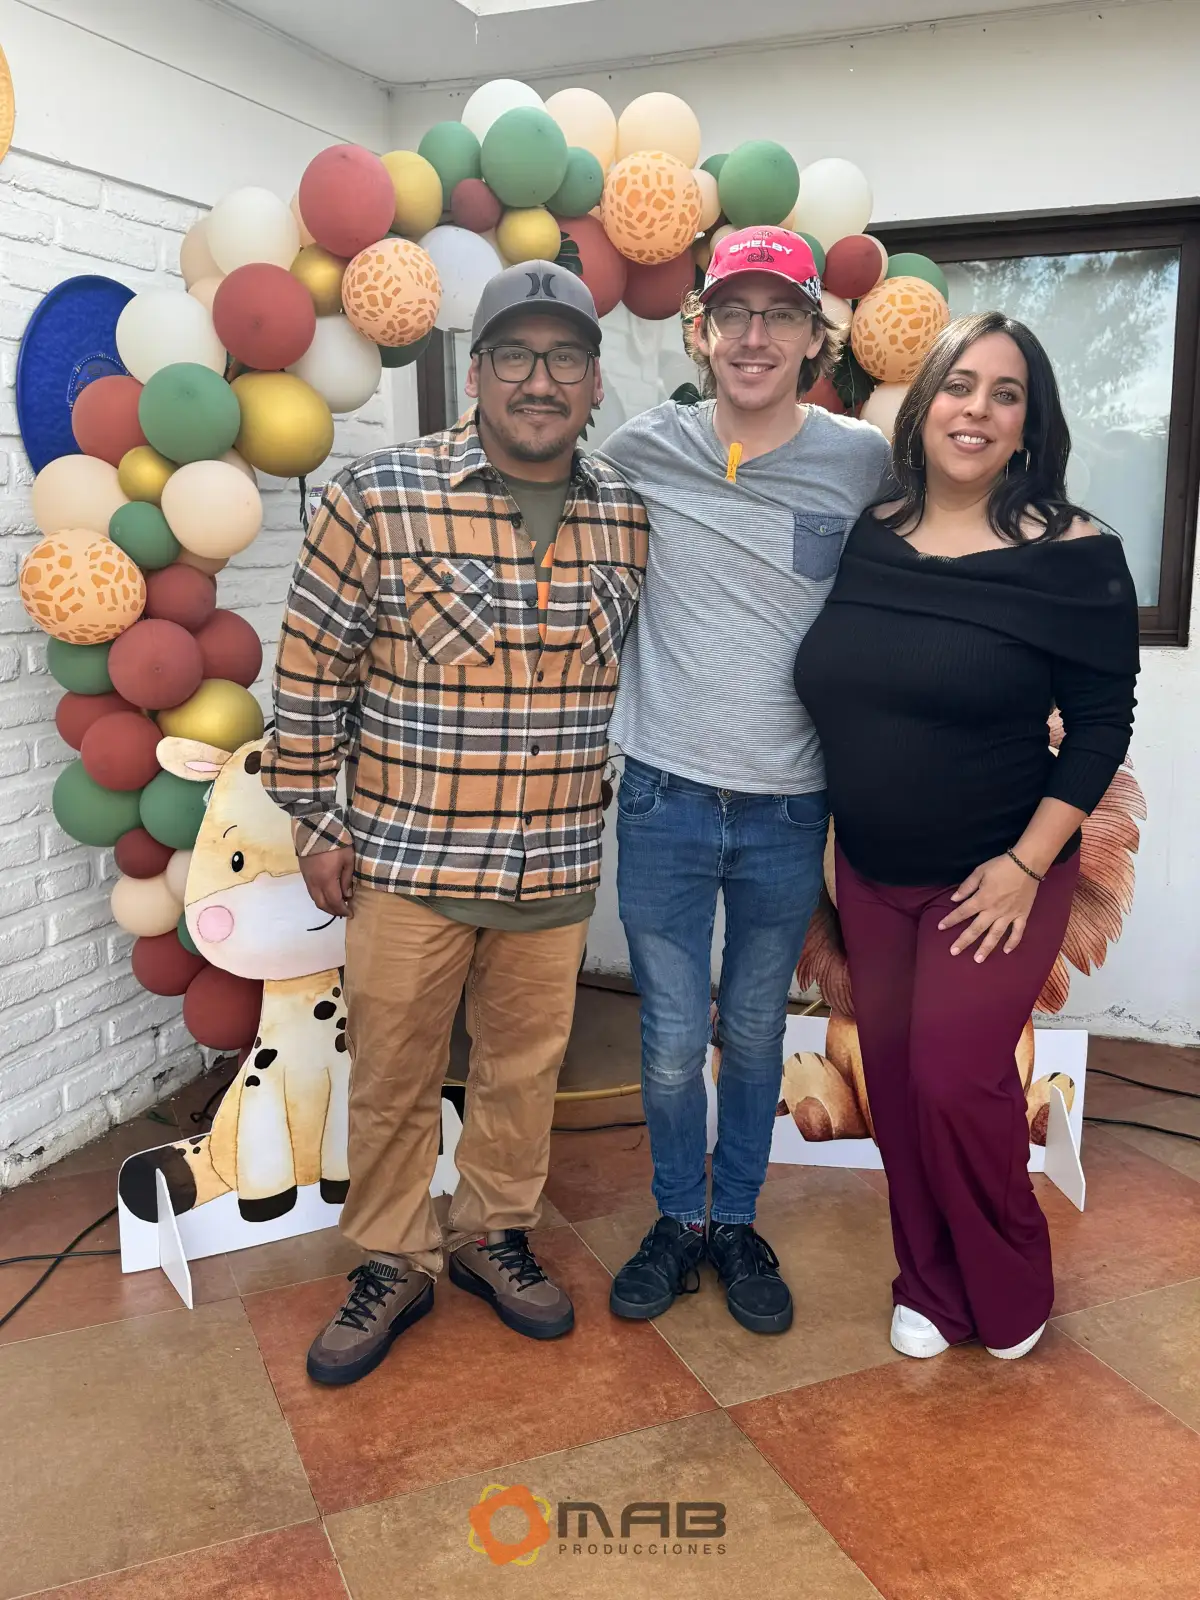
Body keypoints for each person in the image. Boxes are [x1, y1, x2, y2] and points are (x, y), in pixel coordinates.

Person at [261, 261, 648, 1385]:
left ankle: (492, 1232)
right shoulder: (378, 497)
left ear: (594, 381)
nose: (541, 380)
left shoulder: (626, 517)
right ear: (475, 374)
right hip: (408, 858)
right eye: (516, 355)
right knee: (393, 1073)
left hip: (554, 859)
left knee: (525, 1070)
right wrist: (316, 822)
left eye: (565, 357)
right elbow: (312, 670)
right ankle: (393, 1258)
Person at [794, 312, 1139, 1361]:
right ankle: (929, 1281)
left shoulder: (1078, 555)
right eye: (959, 385)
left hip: (998, 875)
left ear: (1031, 423)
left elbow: (1102, 727)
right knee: (896, 1086)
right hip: (871, 872)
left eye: (1005, 393)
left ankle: (1009, 1279)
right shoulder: (870, 533)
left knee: (955, 1078)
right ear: (924, 403)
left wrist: (1027, 865)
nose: (976, 409)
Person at [596, 227, 892, 1335]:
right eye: (734, 313)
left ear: (817, 336)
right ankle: (681, 1218)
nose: (754, 336)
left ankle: (737, 1220)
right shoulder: (644, 446)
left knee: (759, 1031)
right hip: (664, 796)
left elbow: (941, 554)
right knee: (675, 1038)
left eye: (780, 315)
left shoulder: (861, 460)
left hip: (789, 807)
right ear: (702, 331)